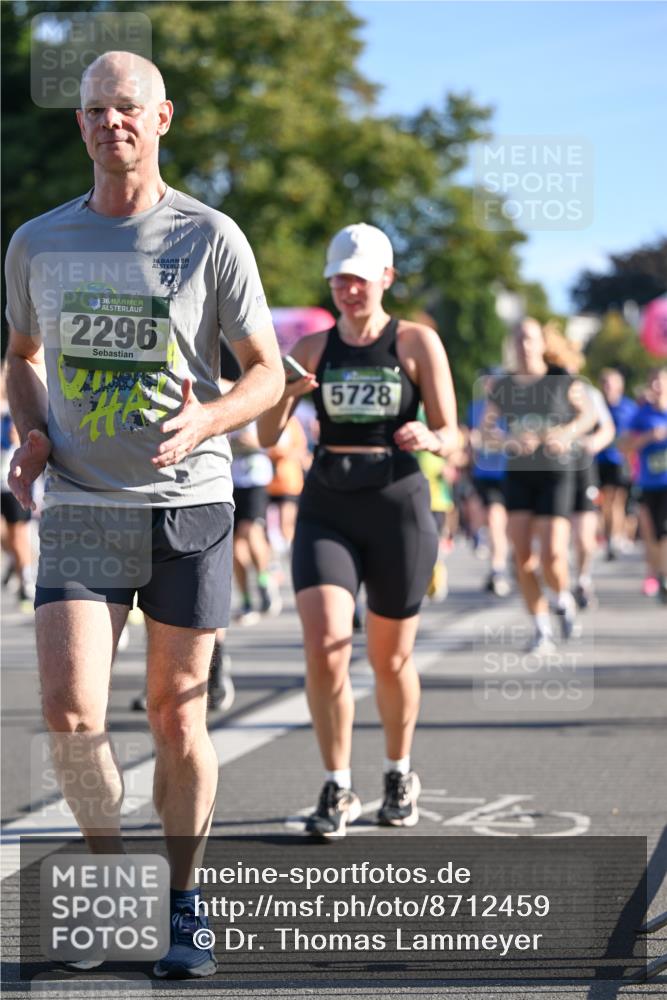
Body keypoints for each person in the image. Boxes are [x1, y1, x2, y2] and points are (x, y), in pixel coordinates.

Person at [4, 51, 283, 978]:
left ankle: (184, 902)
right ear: (79, 123)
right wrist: (33, 430)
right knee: (71, 711)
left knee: (173, 714)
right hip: (83, 500)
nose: (108, 123)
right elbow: (20, 356)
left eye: (127, 108)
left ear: (163, 118)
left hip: (189, 503)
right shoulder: (39, 241)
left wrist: (210, 415)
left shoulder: (209, 237)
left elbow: (267, 373)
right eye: (93, 110)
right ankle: (113, 887)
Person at [258, 222, 458, 837]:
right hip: (328, 507)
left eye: (360, 280)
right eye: (339, 279)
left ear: (386, 280)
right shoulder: (314, 349)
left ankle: (398, 770)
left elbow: (454, 436)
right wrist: (287, 394)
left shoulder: (417, 342)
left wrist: (430, 434)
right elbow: (268, 437)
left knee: (390, 658)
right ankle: (338, 785)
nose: (348, 290)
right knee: (324, 646)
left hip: (398, 505)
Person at [482, 318, 595, 653]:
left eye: (529, 338)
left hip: (556, 472)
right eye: (518, 338)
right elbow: (486, 430)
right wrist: (509, 441)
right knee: (522, 558)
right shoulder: (503, 386)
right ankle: (541, 628)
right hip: (519, 474)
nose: (523, 344)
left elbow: (587, 416)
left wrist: (565, 435)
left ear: (541, 343)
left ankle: (562, 597)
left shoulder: (561, 378)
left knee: (552, 554)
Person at [542, 331, 615, 610]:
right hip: (553, 471)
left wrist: (592, 442)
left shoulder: (588, 392)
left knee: (584, 538)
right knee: (554, 542)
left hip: (582, 468)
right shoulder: (544, 390)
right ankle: (558, 588)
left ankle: (582, 579)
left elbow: (606, 428)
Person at [622, 366, 667, 604]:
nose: (657, 387)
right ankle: (658, 575)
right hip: (649, 484)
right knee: (654, 535)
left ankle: (663, 577)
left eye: (661, 381)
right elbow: (624, 446)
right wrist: (649, 437)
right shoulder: (641, 415)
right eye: (653, 382)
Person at [467, 369, 510, 597]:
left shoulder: (511, 406)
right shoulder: (474, 407)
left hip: (505, 473)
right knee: (487, 518)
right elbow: (468, 435)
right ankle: (496, 566)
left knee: (497, 520)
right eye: (487, 381)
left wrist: (497, 439)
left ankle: (499, 568)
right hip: (481, 472)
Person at [597, 368, 639, 560]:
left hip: (621, 461)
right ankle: (607, 537)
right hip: (599, 461)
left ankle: (615, 538)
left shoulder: (629, 408)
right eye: (604, 382)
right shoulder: (596, 406)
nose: (608, 387)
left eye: (611, 383)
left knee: (617, 500)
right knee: (603, 502)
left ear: (620, 386)